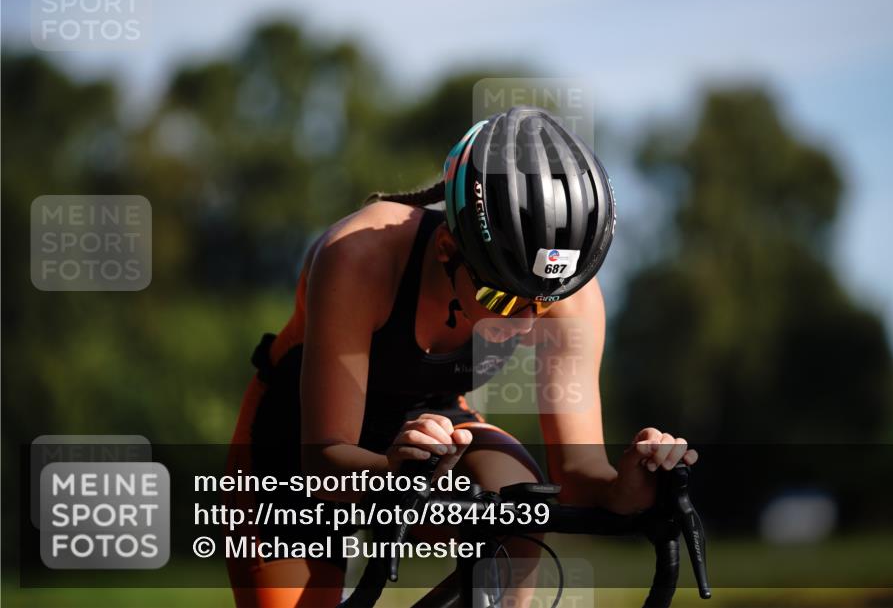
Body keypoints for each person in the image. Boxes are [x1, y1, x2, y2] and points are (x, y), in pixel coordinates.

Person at [226, 106, 698, 608]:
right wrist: (393, 473)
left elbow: (579, 477)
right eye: (501, 300)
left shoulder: (570, 292)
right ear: (449, 248)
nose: (522, 324)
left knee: (520, 502)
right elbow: (323, 460)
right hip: (296, 440)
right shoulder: (358, 257)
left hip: (434, 429)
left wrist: (626, 486)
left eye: (543, 303)